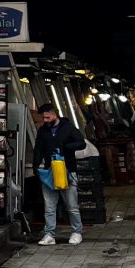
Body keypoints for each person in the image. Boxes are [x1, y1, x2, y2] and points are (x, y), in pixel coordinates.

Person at [34, 103, 86, 246]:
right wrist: (36, 165)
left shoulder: (68, 128)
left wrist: (67, 147)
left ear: (54, 114)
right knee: (49, 206)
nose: (45, 120)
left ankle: (77, 232)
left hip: (68, 170)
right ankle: (49, 234)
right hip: (49, 172)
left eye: (47, 117)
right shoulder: (42, 131)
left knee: (72, 205)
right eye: (43, 118)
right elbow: (38, 148)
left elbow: (81, 143)